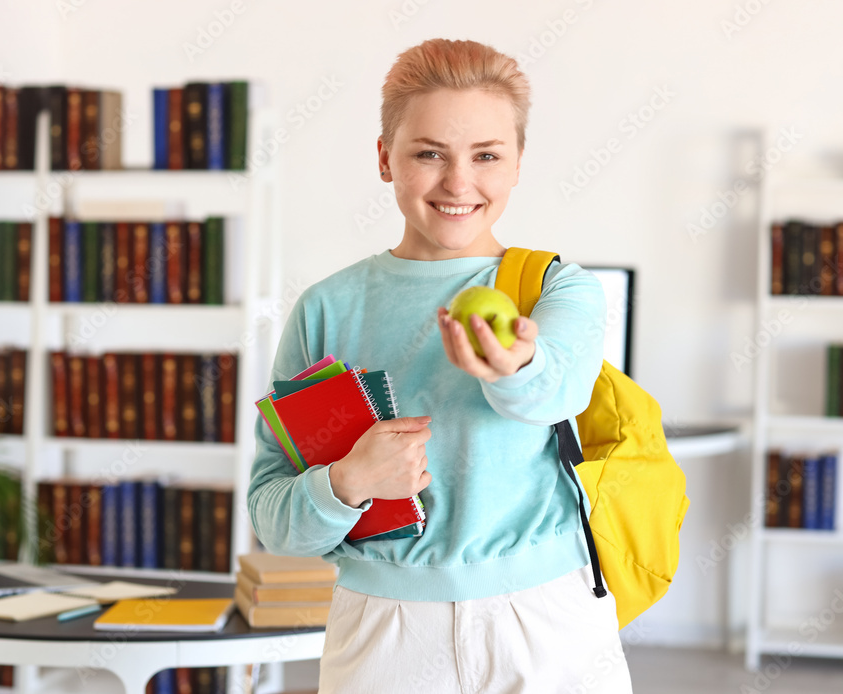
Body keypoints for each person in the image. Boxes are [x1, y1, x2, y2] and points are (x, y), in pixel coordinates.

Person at [247, 38, 633, 694]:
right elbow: (273, 516)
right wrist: (345, 481)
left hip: (546, 622)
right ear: (384, 159)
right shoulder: (325, 310)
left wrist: (515, 367)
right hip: (382, 633)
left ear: (516, 166)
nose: (459, 183)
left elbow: (557, 390)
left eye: (486, 156)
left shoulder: (556, 290)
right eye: (429, 154)